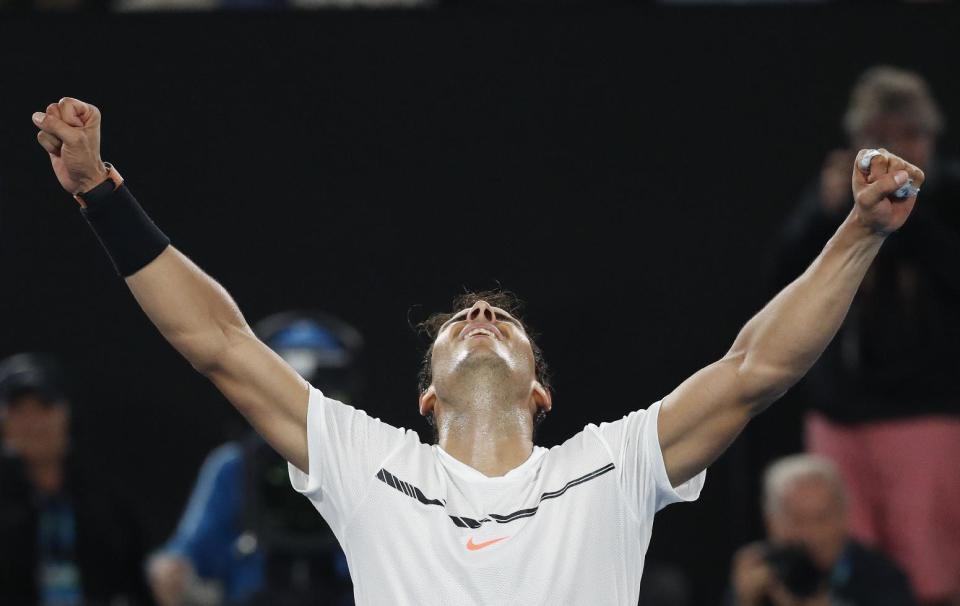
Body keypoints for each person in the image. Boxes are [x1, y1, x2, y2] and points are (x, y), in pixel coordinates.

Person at [30, 95, 924, 605]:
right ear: (425, 398)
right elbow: (220, 343)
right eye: (461, 321)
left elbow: (755, 370)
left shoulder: (611, 466)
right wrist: (100, 194)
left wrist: (859, 231)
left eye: (504, 318)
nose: (485, 315)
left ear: (540, 393)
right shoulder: (365, 462)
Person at [774, 66, 960, 606]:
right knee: (838, 573)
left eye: (906, 134)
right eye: (879, 135)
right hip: (840, 413)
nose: (895, 147)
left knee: (930, 573)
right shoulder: (838, 196)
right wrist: (826, 212)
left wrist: (906, 213)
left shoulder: (950, 193)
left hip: (925, 412)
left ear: (928, 137)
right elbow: (778, 284)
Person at [147, 311, 361, 606]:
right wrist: (170, 573)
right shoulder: (234, 467)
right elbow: (183, 557)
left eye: (318, 394)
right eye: (288, 393)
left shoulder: (366, 467)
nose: (302, 414)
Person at [0, 352, 150, 606]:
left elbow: (135, 579)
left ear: (65, 413)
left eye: (43, 408)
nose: (33, 423)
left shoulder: (106, 496)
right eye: (20, 411)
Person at [727, 454, 915, 606]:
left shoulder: (881, 578)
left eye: (821, 518)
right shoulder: (762, 572)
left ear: (844, 517)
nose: (809, 534)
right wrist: (744, 601)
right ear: (771, 522)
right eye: (797, 520)